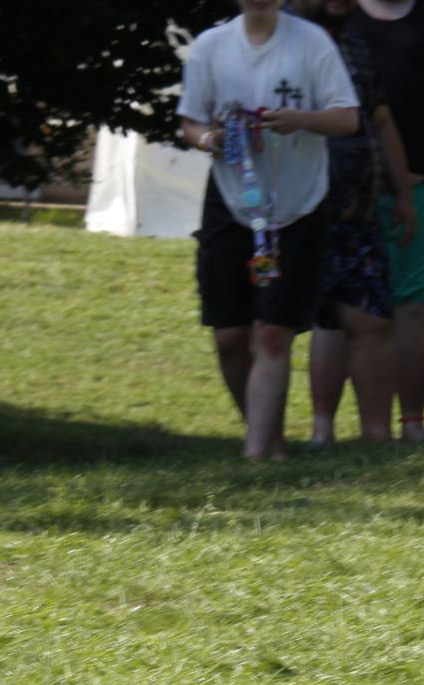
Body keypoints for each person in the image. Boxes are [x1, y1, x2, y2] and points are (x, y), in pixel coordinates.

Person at [179, 0, 359, 461]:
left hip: (299, 206)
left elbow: (348, 117)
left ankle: (256, 453)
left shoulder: (312, 43)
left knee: (274, 334)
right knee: (229, 337)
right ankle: (267, 435)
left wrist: (301, 120)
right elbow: (191, 122)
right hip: (231, 201)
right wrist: (210, 140)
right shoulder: (211, 46)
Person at [290, 0, 417, 445]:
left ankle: (376, 436)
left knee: (371, 321)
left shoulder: (354, 44)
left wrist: (403, 193)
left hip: (360, 213)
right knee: (324, 321)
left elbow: (380, 120)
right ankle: (319, 432)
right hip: (301, 212)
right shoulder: (285, 43)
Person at [346, 0, 424, 441]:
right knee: (345, 314)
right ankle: (326, 428)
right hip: (354, 194)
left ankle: (413, 423)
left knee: (414, 307)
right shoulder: (340, 14)